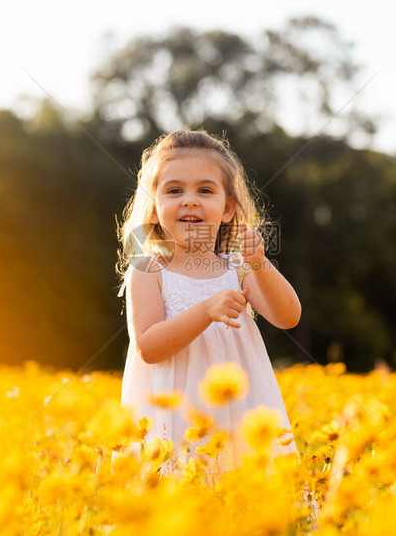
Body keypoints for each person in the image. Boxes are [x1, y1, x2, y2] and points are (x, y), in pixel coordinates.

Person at [114, 129, 302, 478]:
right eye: (174, 190)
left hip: (239, 409)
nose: (189, 200)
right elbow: (150, 347)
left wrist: (260, 264)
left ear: (228, 208)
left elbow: (287, 317)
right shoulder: (148, 271)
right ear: (154, 208)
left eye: (204, 190)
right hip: (177, 416)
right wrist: (205, 311)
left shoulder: (238, 267)